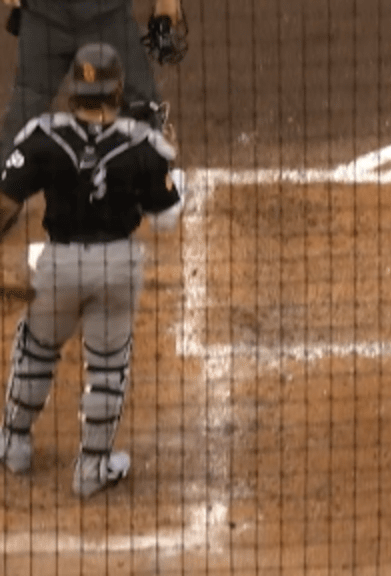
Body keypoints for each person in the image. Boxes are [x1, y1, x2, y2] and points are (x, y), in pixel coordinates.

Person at [0, 42, 183, 497]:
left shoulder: (42, 136)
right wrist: (172, 170)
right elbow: (165, 219)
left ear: (74, 90)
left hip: (58, 266)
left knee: (37, 349)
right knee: (107, 367)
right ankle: (92, 469)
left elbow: (4, 201)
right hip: (118, 268)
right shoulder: (143, 145)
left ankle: (14, 446)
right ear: (118, 89)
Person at [0, 0, 183, 161]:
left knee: (26, 105)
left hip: (60, 18)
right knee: (142, 107)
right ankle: (155, 185)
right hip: (95, 16)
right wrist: (166, 7)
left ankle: (4, 185)